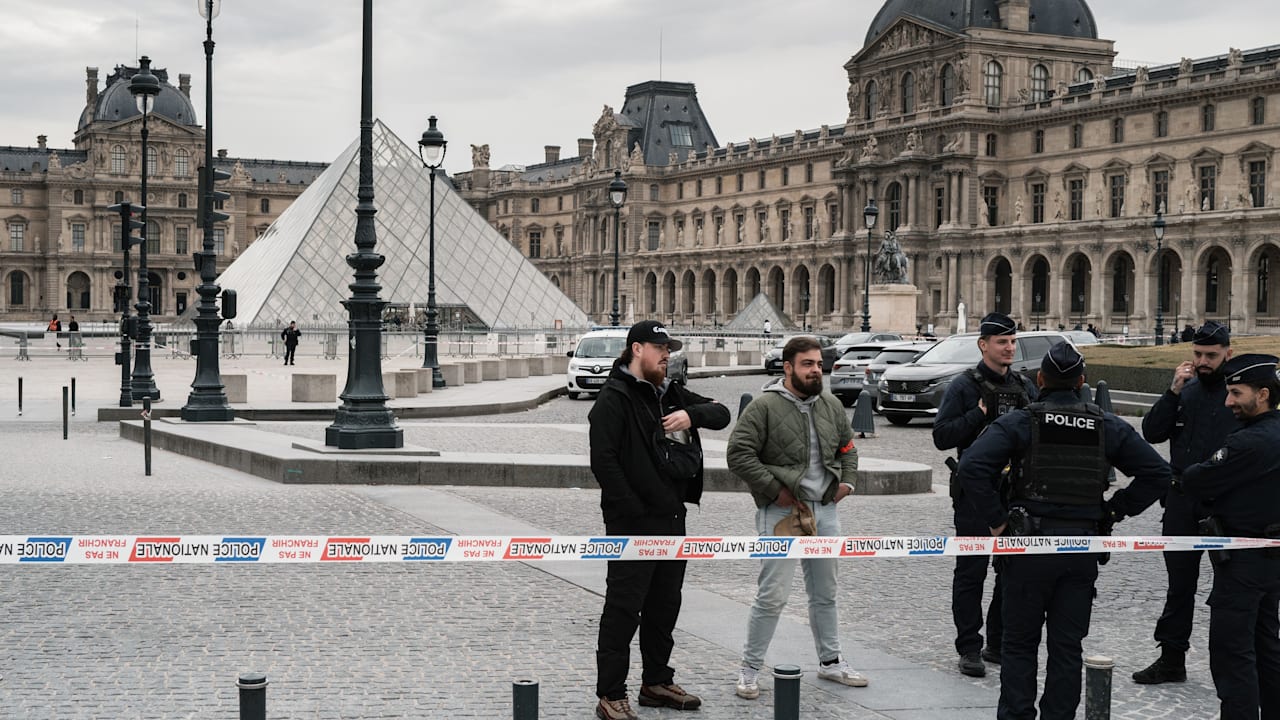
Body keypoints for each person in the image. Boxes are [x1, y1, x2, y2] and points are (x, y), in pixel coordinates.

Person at [955, 341, 1172, 720]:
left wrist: (997, 519)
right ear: (1082, 382)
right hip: (1080, 548)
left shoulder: (1022, 421)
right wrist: (1113, 511)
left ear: (1041, 379)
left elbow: (971, 466)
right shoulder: (1105, 424)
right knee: (1067, 647)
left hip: (1027, 548)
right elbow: (1157, 472)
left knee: (1019, 645)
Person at [589, 320, 730, 720]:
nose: (667, 354)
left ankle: (656, 681)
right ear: (637, 349)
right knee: (623, 609)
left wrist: (690, 415)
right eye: (660, 347)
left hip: (672, 519)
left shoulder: (669, 394)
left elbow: (721, 414)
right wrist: (634, 510)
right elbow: (604, 463)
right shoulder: (613, 399)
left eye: (669, 348)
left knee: (664, 605)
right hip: (632, 526)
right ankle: (611, 694)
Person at [727, 336, 868, 700]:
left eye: (819, 364)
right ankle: (749, 668)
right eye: (807, 364)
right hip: (782, 511)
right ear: (788, 367)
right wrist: (776, 491)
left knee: (826, 593)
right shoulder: (764, 407)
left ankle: (831, 661)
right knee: (772, 595)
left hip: (826, 510)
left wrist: (848, 483)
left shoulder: (832, 404)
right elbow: (739, 453)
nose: (816, 370)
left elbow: (848, 447)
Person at [932, 312, 1037, 677]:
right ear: (984, 345)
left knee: (1011, 571)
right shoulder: (964, 386)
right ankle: (969, 647)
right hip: (975, 493)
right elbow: (942, 436)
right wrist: (978, 414)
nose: (1009, 348)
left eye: (1012, 342)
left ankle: (997, 642)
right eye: (1001, 342)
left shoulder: (1025, 386)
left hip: (1016, 492)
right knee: (971, 572)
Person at [1135, 320, 1238, 684]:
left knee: (1230, 588)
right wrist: (1172, 392)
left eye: (1211, 355)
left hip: (1225, 503)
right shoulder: (1186, 389)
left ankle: (1228, 664)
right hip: (1181, 499)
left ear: (1229, 352)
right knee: (1180, 584)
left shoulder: (1237, 393)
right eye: (1198, 354)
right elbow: (1152, 432)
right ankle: (1172, 658)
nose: (1204, 361)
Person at [1181, 354, 1280, 720]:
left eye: (1236, 393)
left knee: (1232, 653)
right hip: (1270, 560)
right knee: (1267, 645)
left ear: (1264, 394)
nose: (1228, 402)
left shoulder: (1249, 442)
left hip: (1241, 562)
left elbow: (1196, 478)